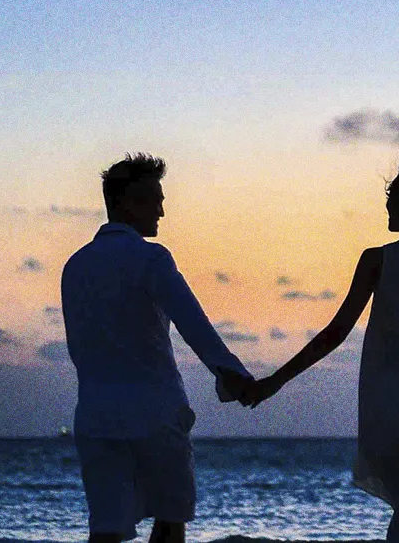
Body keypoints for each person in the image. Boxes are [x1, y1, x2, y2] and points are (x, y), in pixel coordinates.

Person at [249, 159, 399, 543]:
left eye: (393, 197)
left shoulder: (378, 260)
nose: (386, 204)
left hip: (387, 411)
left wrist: (274, 382)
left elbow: (335, 333)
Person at [61, 153, 256, 543]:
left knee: (106, 530)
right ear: (124, 203)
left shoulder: (75, 265)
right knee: (170, 519)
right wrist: (233, 374)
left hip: (96, 415)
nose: (162, 211)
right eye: (154, 200)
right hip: (155, 411)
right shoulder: (152, 258)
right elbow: (193, 323)